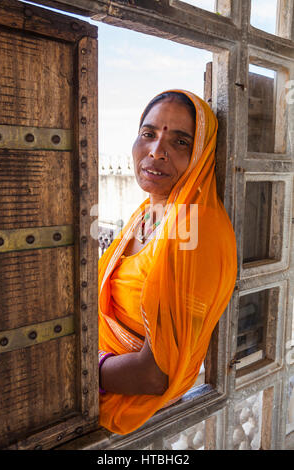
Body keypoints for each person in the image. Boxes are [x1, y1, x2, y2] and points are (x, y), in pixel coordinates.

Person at [98, 89, 237, 435]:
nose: (156, 151)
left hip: (122, 394)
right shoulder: (150, 211)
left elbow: (155, 374)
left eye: (180, 142)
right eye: (148, 134)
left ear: (201, 156)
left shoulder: (197, 229)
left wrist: (79, 366)